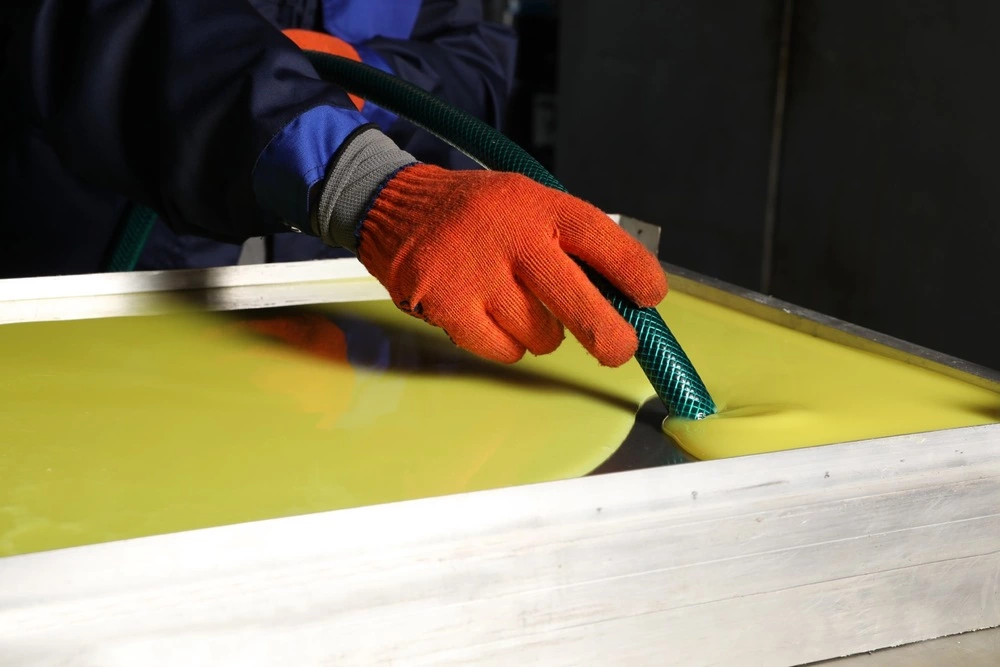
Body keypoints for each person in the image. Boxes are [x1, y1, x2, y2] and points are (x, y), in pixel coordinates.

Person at [0, 0, 668, 368]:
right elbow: (96, 24)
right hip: (86, 279)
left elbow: (475, 62)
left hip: (324, 301)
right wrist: (365, 184)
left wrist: (368, 75)